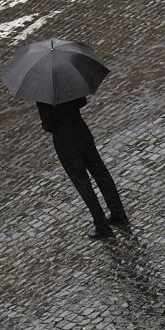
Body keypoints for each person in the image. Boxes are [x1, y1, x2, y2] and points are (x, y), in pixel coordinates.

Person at [36, 97, 128, 239]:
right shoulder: (69, 81)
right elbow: (81, 102)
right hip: (82, 133)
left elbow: (49, 125)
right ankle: (118, 214)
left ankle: (102, 225)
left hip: (66, 144)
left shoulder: (43, 96)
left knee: (83, 185)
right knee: (101, 174)